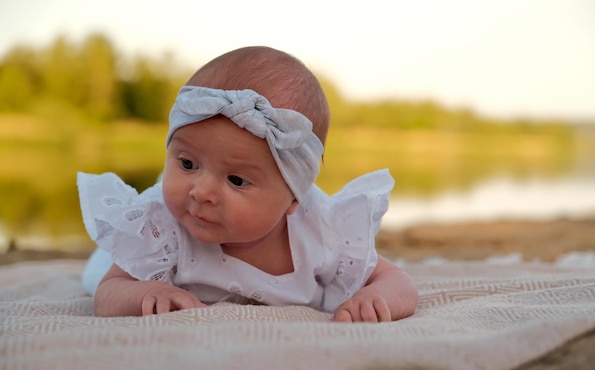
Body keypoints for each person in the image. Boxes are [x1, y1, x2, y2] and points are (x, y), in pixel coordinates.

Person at [78, 46, 418, 322]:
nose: (202, 192)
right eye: (187, 163)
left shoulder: (322, 231)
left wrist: (376, 298)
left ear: (292, 199)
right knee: (96, 272)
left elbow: (396, 281)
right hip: (131, 257)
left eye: (237, 180)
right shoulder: (161, 227)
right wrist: (145, 294)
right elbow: (109, 292)